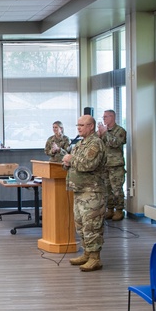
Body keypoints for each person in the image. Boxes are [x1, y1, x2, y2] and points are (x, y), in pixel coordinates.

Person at [62, 115, 106, 272]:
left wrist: (70, 159)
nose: (79, 128)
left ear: (91, 127)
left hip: (92, 192)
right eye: (78, 125)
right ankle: (87, 253)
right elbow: (74, 162)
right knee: (81, 225)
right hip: (80, 191)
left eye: (82, 125)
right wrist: (67, 162)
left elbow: (88, 164)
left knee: (92, 226)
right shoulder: (80, 144)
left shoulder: (95, 143)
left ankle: (95, 258)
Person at [97, 109, 128, 221]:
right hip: (104, 164)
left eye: (106, 117)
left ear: (112, 117)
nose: (104, 119)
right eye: (103, 117)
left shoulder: (120, 130)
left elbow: (115, 143)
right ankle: (109, 209)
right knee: (106, 189)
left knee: (116, 189)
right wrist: (99, 135)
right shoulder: (103, 131)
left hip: (116, 165)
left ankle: (119, 210)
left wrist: (105, 133)